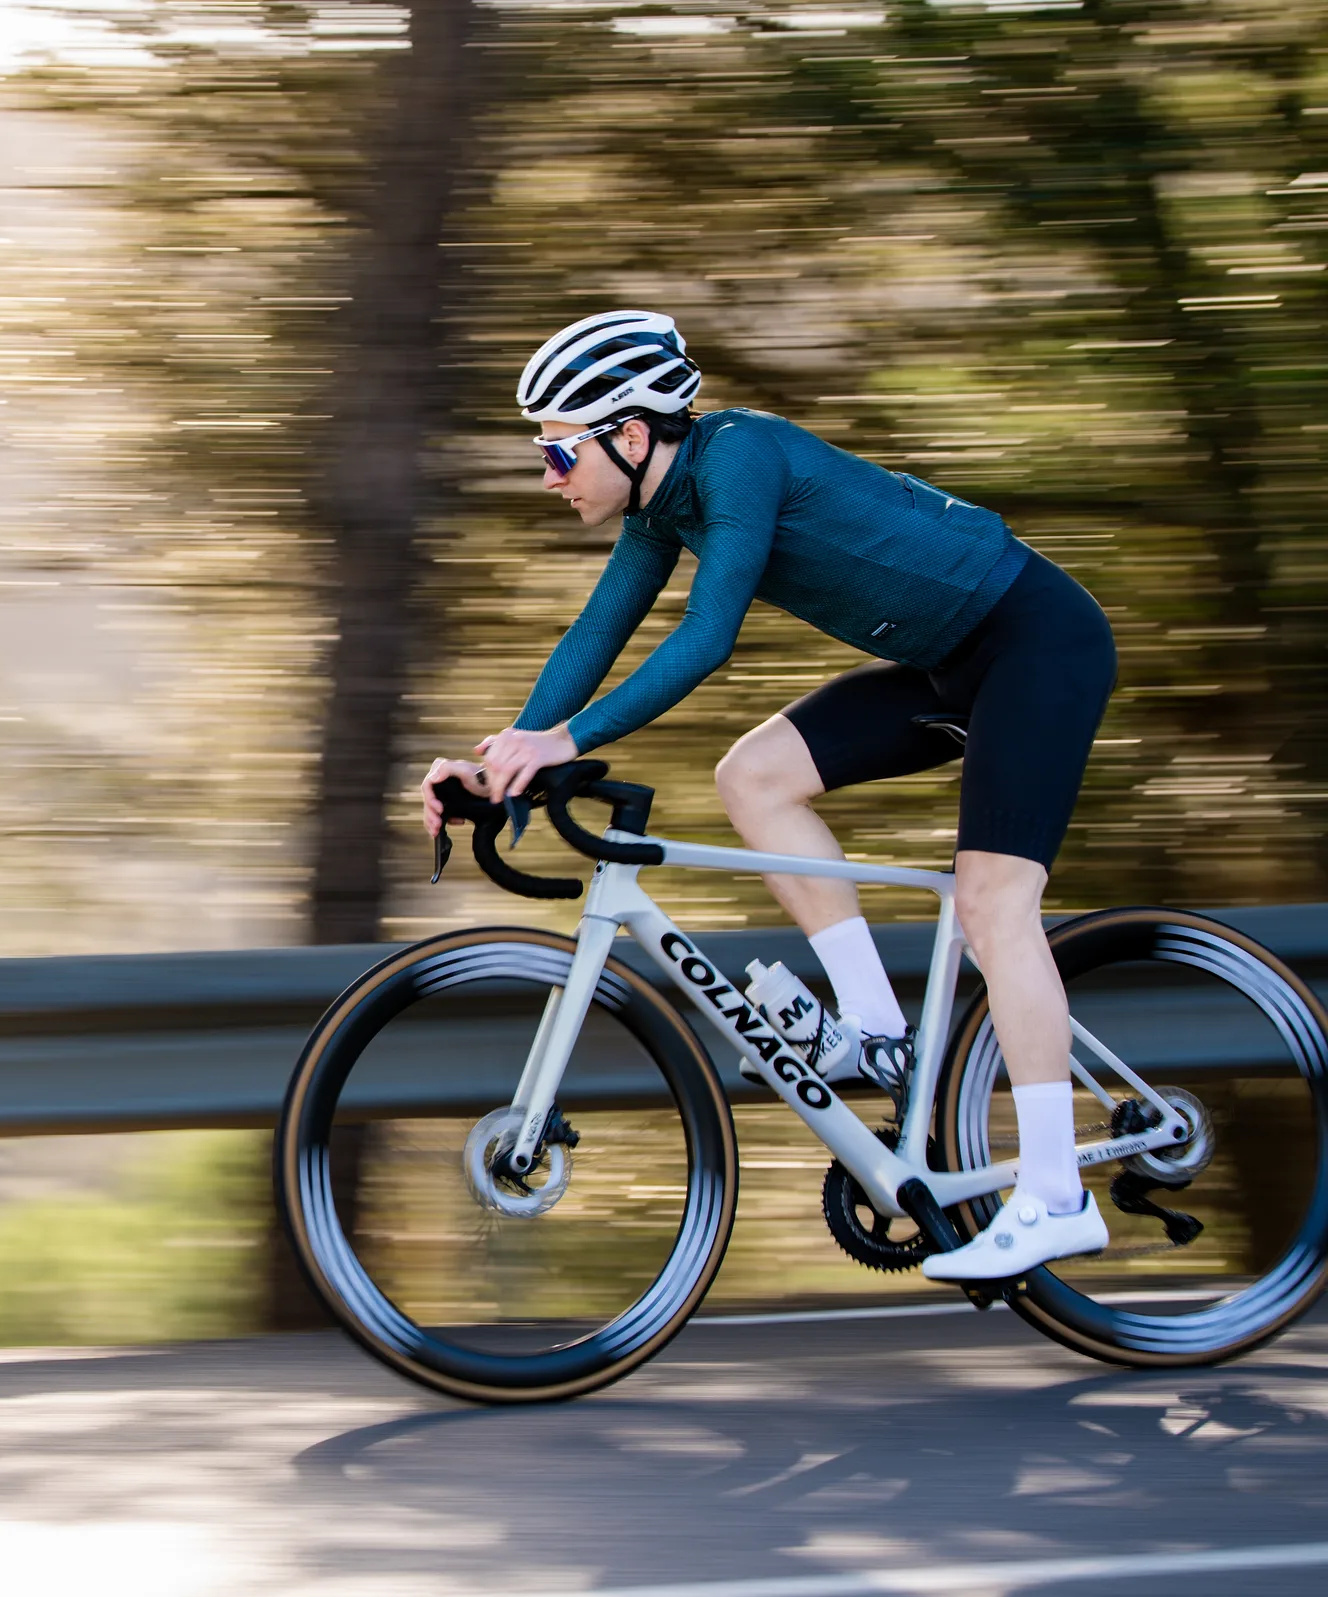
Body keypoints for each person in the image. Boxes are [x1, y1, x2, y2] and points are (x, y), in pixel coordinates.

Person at [419, 310, 1117, 1280]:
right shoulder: (662, 508)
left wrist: (565, 739)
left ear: (628, 435)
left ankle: (1055, 1195)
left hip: (1035, 643)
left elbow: (708, 638)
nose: (547, 473)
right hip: (942, 660)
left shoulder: (738, 456)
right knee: (753, 777)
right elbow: (594, 638)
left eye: (556, 449)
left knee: (998, 904)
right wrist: (502, 774)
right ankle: (877, 1031)